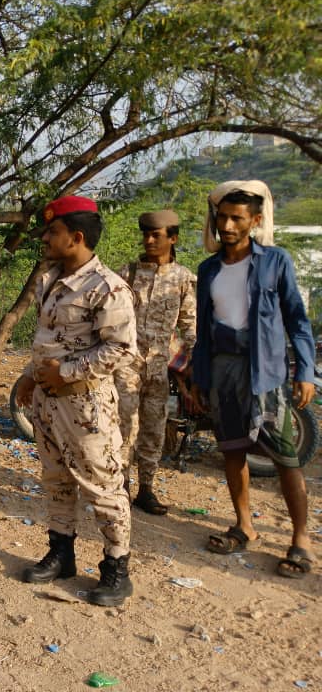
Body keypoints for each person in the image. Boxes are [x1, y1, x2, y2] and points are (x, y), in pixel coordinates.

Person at [16, 196, 138, 607]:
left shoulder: (108, 287)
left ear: (77, 237)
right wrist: (31, 376)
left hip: (86, 405)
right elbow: (48, 338)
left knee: (103, 487)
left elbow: (119, 349)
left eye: (53, 231)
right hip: (49, 404)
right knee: (56, 480)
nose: (46, 238)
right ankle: (61, 553)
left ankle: (116, 570)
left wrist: (64, 373)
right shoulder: (49, 279)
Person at [191, 180, 316, 578]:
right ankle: (245, 525)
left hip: (266, 371)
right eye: (222, 217)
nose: (226, 225)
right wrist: (199, 376)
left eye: (236, 218)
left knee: (285, 457)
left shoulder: (275, 262)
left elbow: (297, 318)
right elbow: (202, 329)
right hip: (223, 369)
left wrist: (306, 370)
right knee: (231, 450)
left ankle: (301, 539)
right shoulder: (208, 269)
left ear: (254, 221)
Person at [115, 210, 197, 514]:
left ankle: (145, 489)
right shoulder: (127, 274)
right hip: (126, 364)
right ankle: (120, 485)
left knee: (153, 427)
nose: (149, 240)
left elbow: (191, 326)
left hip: (160, 367)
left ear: (172, 239)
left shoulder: (183, 279)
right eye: (146, 235)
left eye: (156, 235)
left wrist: (193, 366)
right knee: (124, 426)